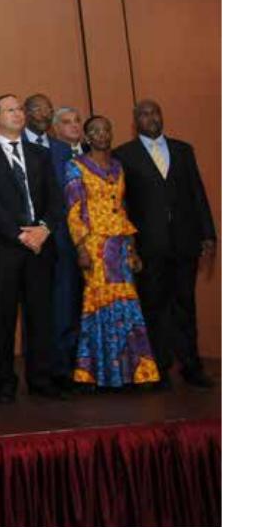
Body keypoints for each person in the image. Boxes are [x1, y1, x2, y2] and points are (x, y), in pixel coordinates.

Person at [114, 99, 217, 389]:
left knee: (185, 305)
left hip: (185, 242)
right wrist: (129, 245)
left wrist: (208, 234)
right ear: (135, 122)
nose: (151, 118)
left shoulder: (183, 150)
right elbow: (122, 204)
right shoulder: (123, 155)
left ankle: (191, 366)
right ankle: (158, 368)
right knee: (154, 306)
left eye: (155, 113)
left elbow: (197, 193)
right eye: (144, 114)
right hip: (149, 246)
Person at [0, 94, 63, 402]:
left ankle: (40, 379)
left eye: (20, 109)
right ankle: (5, 383)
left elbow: (56, 198)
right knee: (2, 319)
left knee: (40, 317)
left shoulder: (40, 154)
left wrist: (44, 229)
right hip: (2, 249)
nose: (18, 114)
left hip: (40, 246)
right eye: (10, 110)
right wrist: (19, 234)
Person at [65, 116, 159, 389]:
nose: (101, 134)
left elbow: (122, 208)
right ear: (86, 137)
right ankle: (97, 374)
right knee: (99, 306)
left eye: (106, 129)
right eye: (95, 131)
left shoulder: (118, 167)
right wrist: (81, 247)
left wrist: (132, 248)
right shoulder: (75, 166)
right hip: (95, 246)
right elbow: (74, 210)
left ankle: (135, 373)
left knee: (128, 307)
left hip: (121, 246)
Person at [45, 106, 87, 393]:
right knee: (65, 305)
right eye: (66, 122)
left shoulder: (94, 154)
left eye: (77, 121)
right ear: (55, 129)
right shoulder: (50, 155)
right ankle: (65, 368)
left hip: (100, 243)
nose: (74, 126)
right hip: (64, 241)